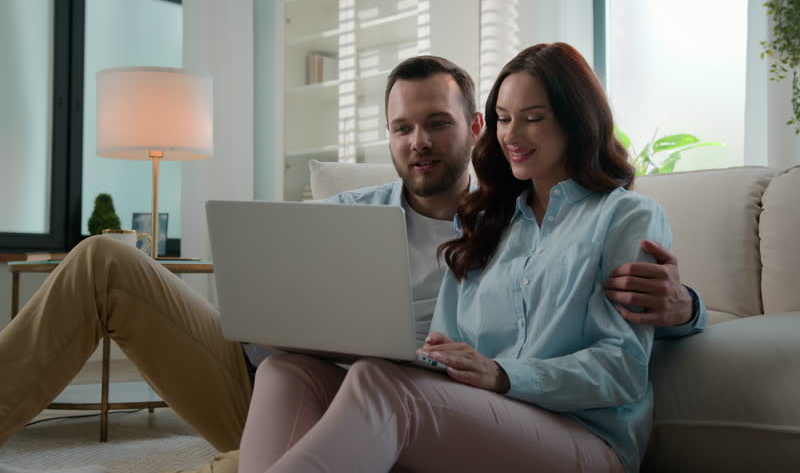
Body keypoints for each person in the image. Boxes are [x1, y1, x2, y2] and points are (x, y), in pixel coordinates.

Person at [0, 54, 705, 471]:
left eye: (438, 123)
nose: (418, 142)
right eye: (401, 128)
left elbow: (610, 348)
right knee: (131, 276)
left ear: (472, 129)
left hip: (445, 407)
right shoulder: (490, 225)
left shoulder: (507, 219)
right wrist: (278, 322)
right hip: (313, 386)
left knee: (374, 379)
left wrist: (685, 309)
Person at [235, 42, 680, 473]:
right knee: (286, 371)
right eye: (505, 119)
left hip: (586, 437)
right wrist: (431, 358)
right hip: (480, 417)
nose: (512, 136)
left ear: (576, 122)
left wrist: (503, 374)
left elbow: (621, 368)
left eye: (533, 118)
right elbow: (447, 344)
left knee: (380, 384)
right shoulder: (490, 222)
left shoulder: (625, 215)